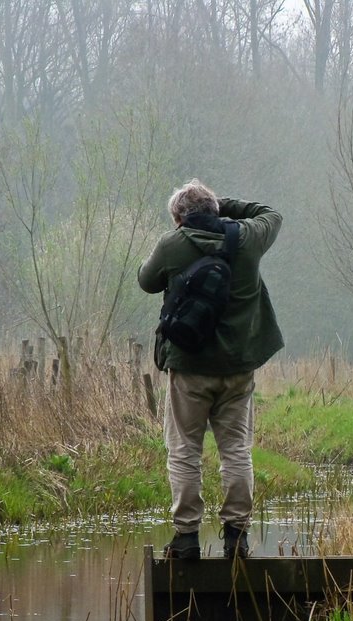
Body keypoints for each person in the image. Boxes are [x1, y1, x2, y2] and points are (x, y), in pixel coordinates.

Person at [138, 179, 283, 559]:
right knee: (236, 448)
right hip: (238, 369)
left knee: (184, 449)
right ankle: (237, 537)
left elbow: (145, 280)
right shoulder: (248, 239)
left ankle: (186, 539)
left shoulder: (173, 245)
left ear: (178, 218)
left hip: (189, 369)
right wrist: (225, 206)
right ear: (217, 209)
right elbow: (272, 214)